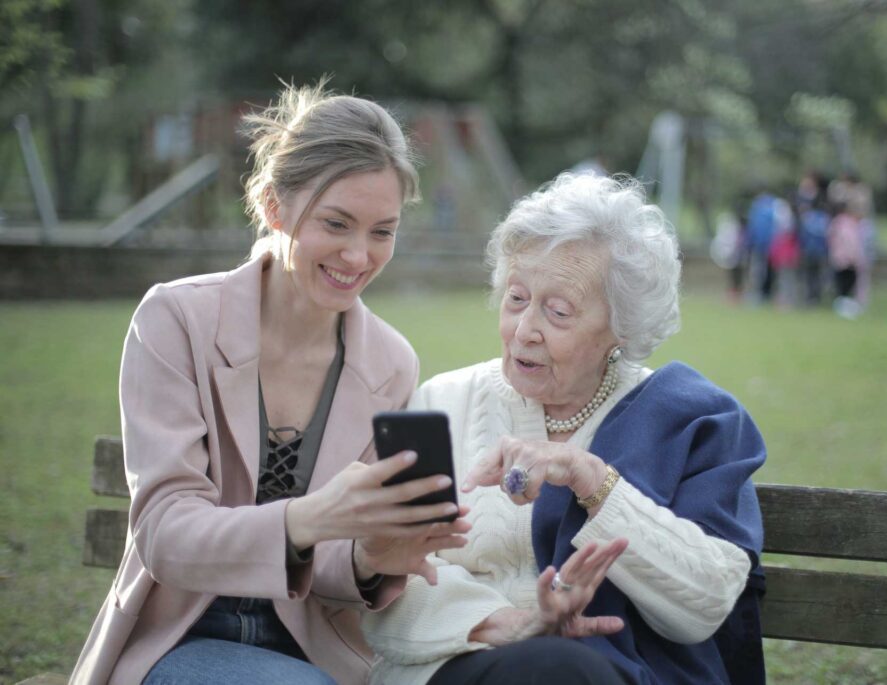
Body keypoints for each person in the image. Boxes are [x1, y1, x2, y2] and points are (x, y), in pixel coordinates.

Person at [71, 81, 470, 685]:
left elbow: (335, 562)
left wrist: (370, 556)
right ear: (272, 205)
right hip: (179, 639)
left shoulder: (391, 361)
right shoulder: (176, 319)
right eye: (336, 223)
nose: (358, 256)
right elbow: (165, 532)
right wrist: (306, 518)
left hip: (320, 654)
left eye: (382, 231)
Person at [361, 173, 768, 685]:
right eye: (515, 298)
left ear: (621, 328)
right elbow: (387, 576)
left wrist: (593, 481)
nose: (524, 329)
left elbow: (706, 603)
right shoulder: (442, 403)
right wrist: (507, 623)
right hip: (453, 668)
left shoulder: (691, 420)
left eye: (557, 312)